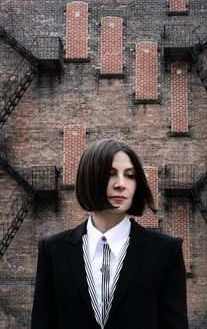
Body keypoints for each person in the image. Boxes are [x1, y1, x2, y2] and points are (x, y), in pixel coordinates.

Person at [31, 138, 189, 329]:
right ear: (90, 177)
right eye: (111, 174)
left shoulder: (165, 251)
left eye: (130, 175)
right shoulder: (52, 251)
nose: (121, 184)